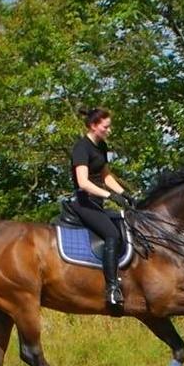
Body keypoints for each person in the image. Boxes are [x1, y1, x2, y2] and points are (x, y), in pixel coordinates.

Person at [70, 107, 135, 307]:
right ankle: (112, 289)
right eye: (106, 127)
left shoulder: (101, 146)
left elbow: (106, 175)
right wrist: (111, 196)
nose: (109, 130)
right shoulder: (81, 148)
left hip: (97, 202)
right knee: (112, 234)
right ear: (93, 126)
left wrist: (124, 194)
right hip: (83, 202)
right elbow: (83, 182)